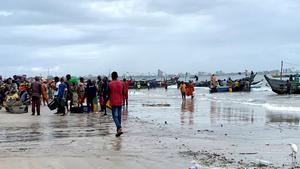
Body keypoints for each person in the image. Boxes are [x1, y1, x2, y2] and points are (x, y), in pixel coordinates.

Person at [109, 71, 124, 137]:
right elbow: (123, 92)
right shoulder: (121, 83)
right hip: (120, 101)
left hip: (113, 102)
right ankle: (118, 130)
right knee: (119, 116)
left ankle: (119, 127)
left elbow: (108, 93)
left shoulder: (110, 84)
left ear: (112, 77)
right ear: (117, 76)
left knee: (115, 116)